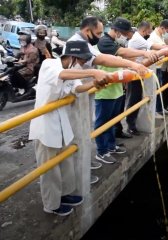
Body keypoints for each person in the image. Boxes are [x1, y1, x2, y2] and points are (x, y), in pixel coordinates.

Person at [64, 16, 149, 185]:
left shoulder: (86, 43)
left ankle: (83, 165)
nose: (100, 35)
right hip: (68, 96)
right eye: (98, 32)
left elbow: (98, 59)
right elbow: (101, 60)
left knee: (81, 130)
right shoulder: (76, 43)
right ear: (87, 30)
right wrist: (133, 65)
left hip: (78, 91)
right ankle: (78, 172)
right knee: (73, 135)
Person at [28, 40, 108, 216]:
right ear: (72, 57)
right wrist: (94, 71)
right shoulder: (50, 65)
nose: (81, 65)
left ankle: (64, 194)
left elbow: (78, 88)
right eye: (80, 61)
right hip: (45, 125)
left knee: (65, 162)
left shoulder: (73, 71)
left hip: (61, 123)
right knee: (50, 168)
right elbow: (63, 75)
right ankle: (51, 204)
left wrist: (96, 84)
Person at [95, 17, 160, 164]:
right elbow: (122, 53)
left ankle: (111, 146)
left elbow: (122, 54)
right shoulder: (104, 42)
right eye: (123, 32)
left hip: (116, 88)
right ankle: (101, 151)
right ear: (116, 30)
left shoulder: (113, 41)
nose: (124, 35)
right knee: (102, 122)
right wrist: (141, 57)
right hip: (105, 91)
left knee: (113, 120)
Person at [126, 21, 168, 136]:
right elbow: (153, 46)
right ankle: (130, 125)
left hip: (138, 72)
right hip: (134, 73)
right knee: (134, 99)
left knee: (136, 98)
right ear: (145, 30)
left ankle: (131, 124)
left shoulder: (139, 37)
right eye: (149, 30)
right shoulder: (138, 38)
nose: (150, 32)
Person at [147, 19, 168, 118]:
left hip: (159, 66)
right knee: (156, 89)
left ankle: (159, 109)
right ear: (162, 28)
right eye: (167, 31)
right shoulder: (153, 37)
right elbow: (163, 47)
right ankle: (156, 111)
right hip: (155, 66)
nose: (167, 33)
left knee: (159, 88)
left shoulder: (160, 36)